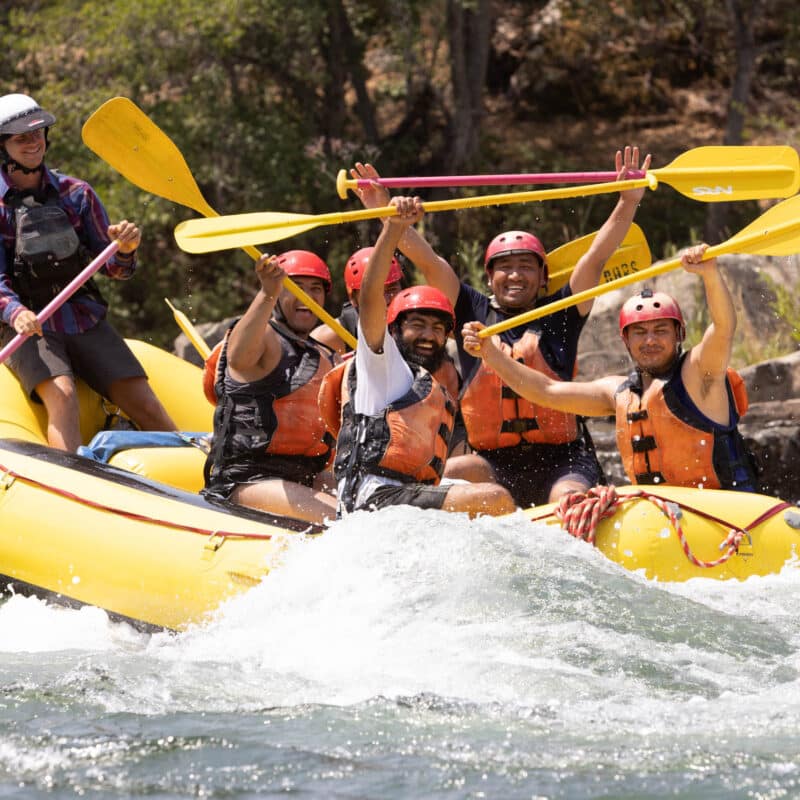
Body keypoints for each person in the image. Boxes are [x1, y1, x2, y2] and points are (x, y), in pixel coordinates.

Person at [349, 148, 650, 506]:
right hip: (492, 463)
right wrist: (384, 213)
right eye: (504, 267)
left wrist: (627, 202)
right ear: (490, 278)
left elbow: (596, 257)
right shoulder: (469, 308)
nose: (515, 275)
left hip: (562, 461)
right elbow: (428, 261)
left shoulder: (562, 312)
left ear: (543, 279)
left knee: (566, 499)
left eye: (526, 266)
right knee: (439, 472)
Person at [462, 244, 759, 492]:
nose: (651, 340)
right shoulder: (617, 393)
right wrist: (490, 353)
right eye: (640, 333)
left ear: (679, 335)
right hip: (660, 511)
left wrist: (710, 275)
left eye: (661, 330)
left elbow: (723, 328)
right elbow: (545, 390)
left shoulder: (698, 373)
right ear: (626, 341)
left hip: (725, 510)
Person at [318, 197, 516, 517]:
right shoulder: (381, 360)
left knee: (476, 476)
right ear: (394, 328)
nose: (428, 335)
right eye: (418, 325)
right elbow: (370, 298)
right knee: (493, 499)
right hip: (372, 496)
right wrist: (393, 230)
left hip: (405, 492)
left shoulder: (426, 377)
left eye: (438, 328)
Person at [0, 92, 175, 451]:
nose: (34, 144)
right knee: (63, 395)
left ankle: (201, 485)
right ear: (3, 147)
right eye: (21, 138)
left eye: (38, 134)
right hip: (27, 326)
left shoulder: (77, 194)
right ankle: (68, 485)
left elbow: (115, 270)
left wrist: (124, 251)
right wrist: (15, 313)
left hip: (82, 318)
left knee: (145, 402)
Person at [202, 250, 338, 524]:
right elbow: (239, 359)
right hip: (247, 480)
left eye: (315, 289)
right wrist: (268, 292)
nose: (307, 297)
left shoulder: (324, 355)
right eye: (296, 288)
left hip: (305, 475)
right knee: (341, 519)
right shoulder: (265, 336)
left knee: (370, 508)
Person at [312, 246, 403, 355]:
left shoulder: (412, 326)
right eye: (374, 292)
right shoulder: (330, 338)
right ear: (353, 298)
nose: (385, 300)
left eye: (392, 289)